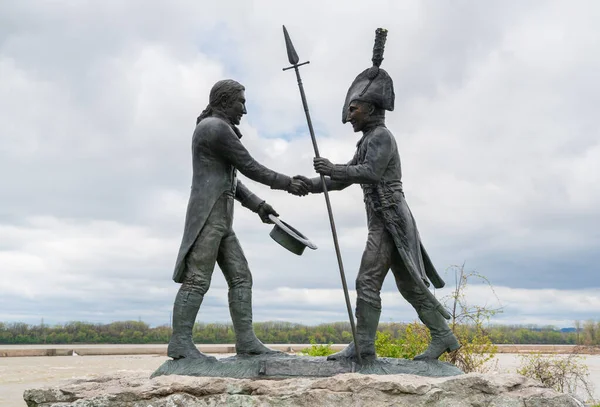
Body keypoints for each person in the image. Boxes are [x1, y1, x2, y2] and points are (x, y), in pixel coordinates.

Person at [298, 38, 460, 362]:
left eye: (353, 109)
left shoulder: (382, 137)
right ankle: (443, 336)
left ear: (370, 108)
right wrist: (314, 185)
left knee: (368, 280)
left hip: (390, 219)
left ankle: (364, 347)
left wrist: (334, 167)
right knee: (408, 284)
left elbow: (369, 173)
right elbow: (344, 180)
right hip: (382, 219)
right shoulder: (367, 140)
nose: (349, 116)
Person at [168, 79, 309, 360]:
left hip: (222, 222)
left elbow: (231, 180)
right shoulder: (215, 129)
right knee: (197, 280)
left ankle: (246, 342)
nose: (244, 109)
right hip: (209, 218)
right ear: (224, 101)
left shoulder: (218, 128)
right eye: (240, 102)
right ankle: (180, 343)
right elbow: (250, 167)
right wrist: (288, 183)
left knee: (241, 278)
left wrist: (258, 206)